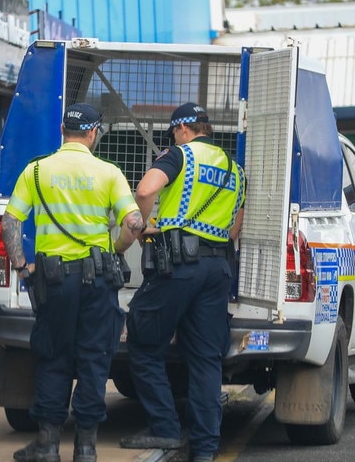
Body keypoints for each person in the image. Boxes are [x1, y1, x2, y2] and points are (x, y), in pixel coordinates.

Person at [2, 103, 143, 462]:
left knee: (53, 357)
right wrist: (116, 249)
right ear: (93, 133)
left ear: (63, 131)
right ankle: (86, 448)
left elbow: (9, 223)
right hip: (97, 281)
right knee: (94, 359)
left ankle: (48, 445)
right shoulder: (108, 172)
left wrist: (22, 268)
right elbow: (134, 222)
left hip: (53, 281)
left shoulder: (36, 171)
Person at [119, 103, 246, 462]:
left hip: (178, 265)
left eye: (173, 132)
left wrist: (143, 225)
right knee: (206, 358)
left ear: (182, 129)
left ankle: (165, 428)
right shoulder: (235, 170)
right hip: (217, 267)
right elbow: (234, 228)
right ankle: (205, 449)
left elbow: (145, 191)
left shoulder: (180, 156)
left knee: (143, 340)